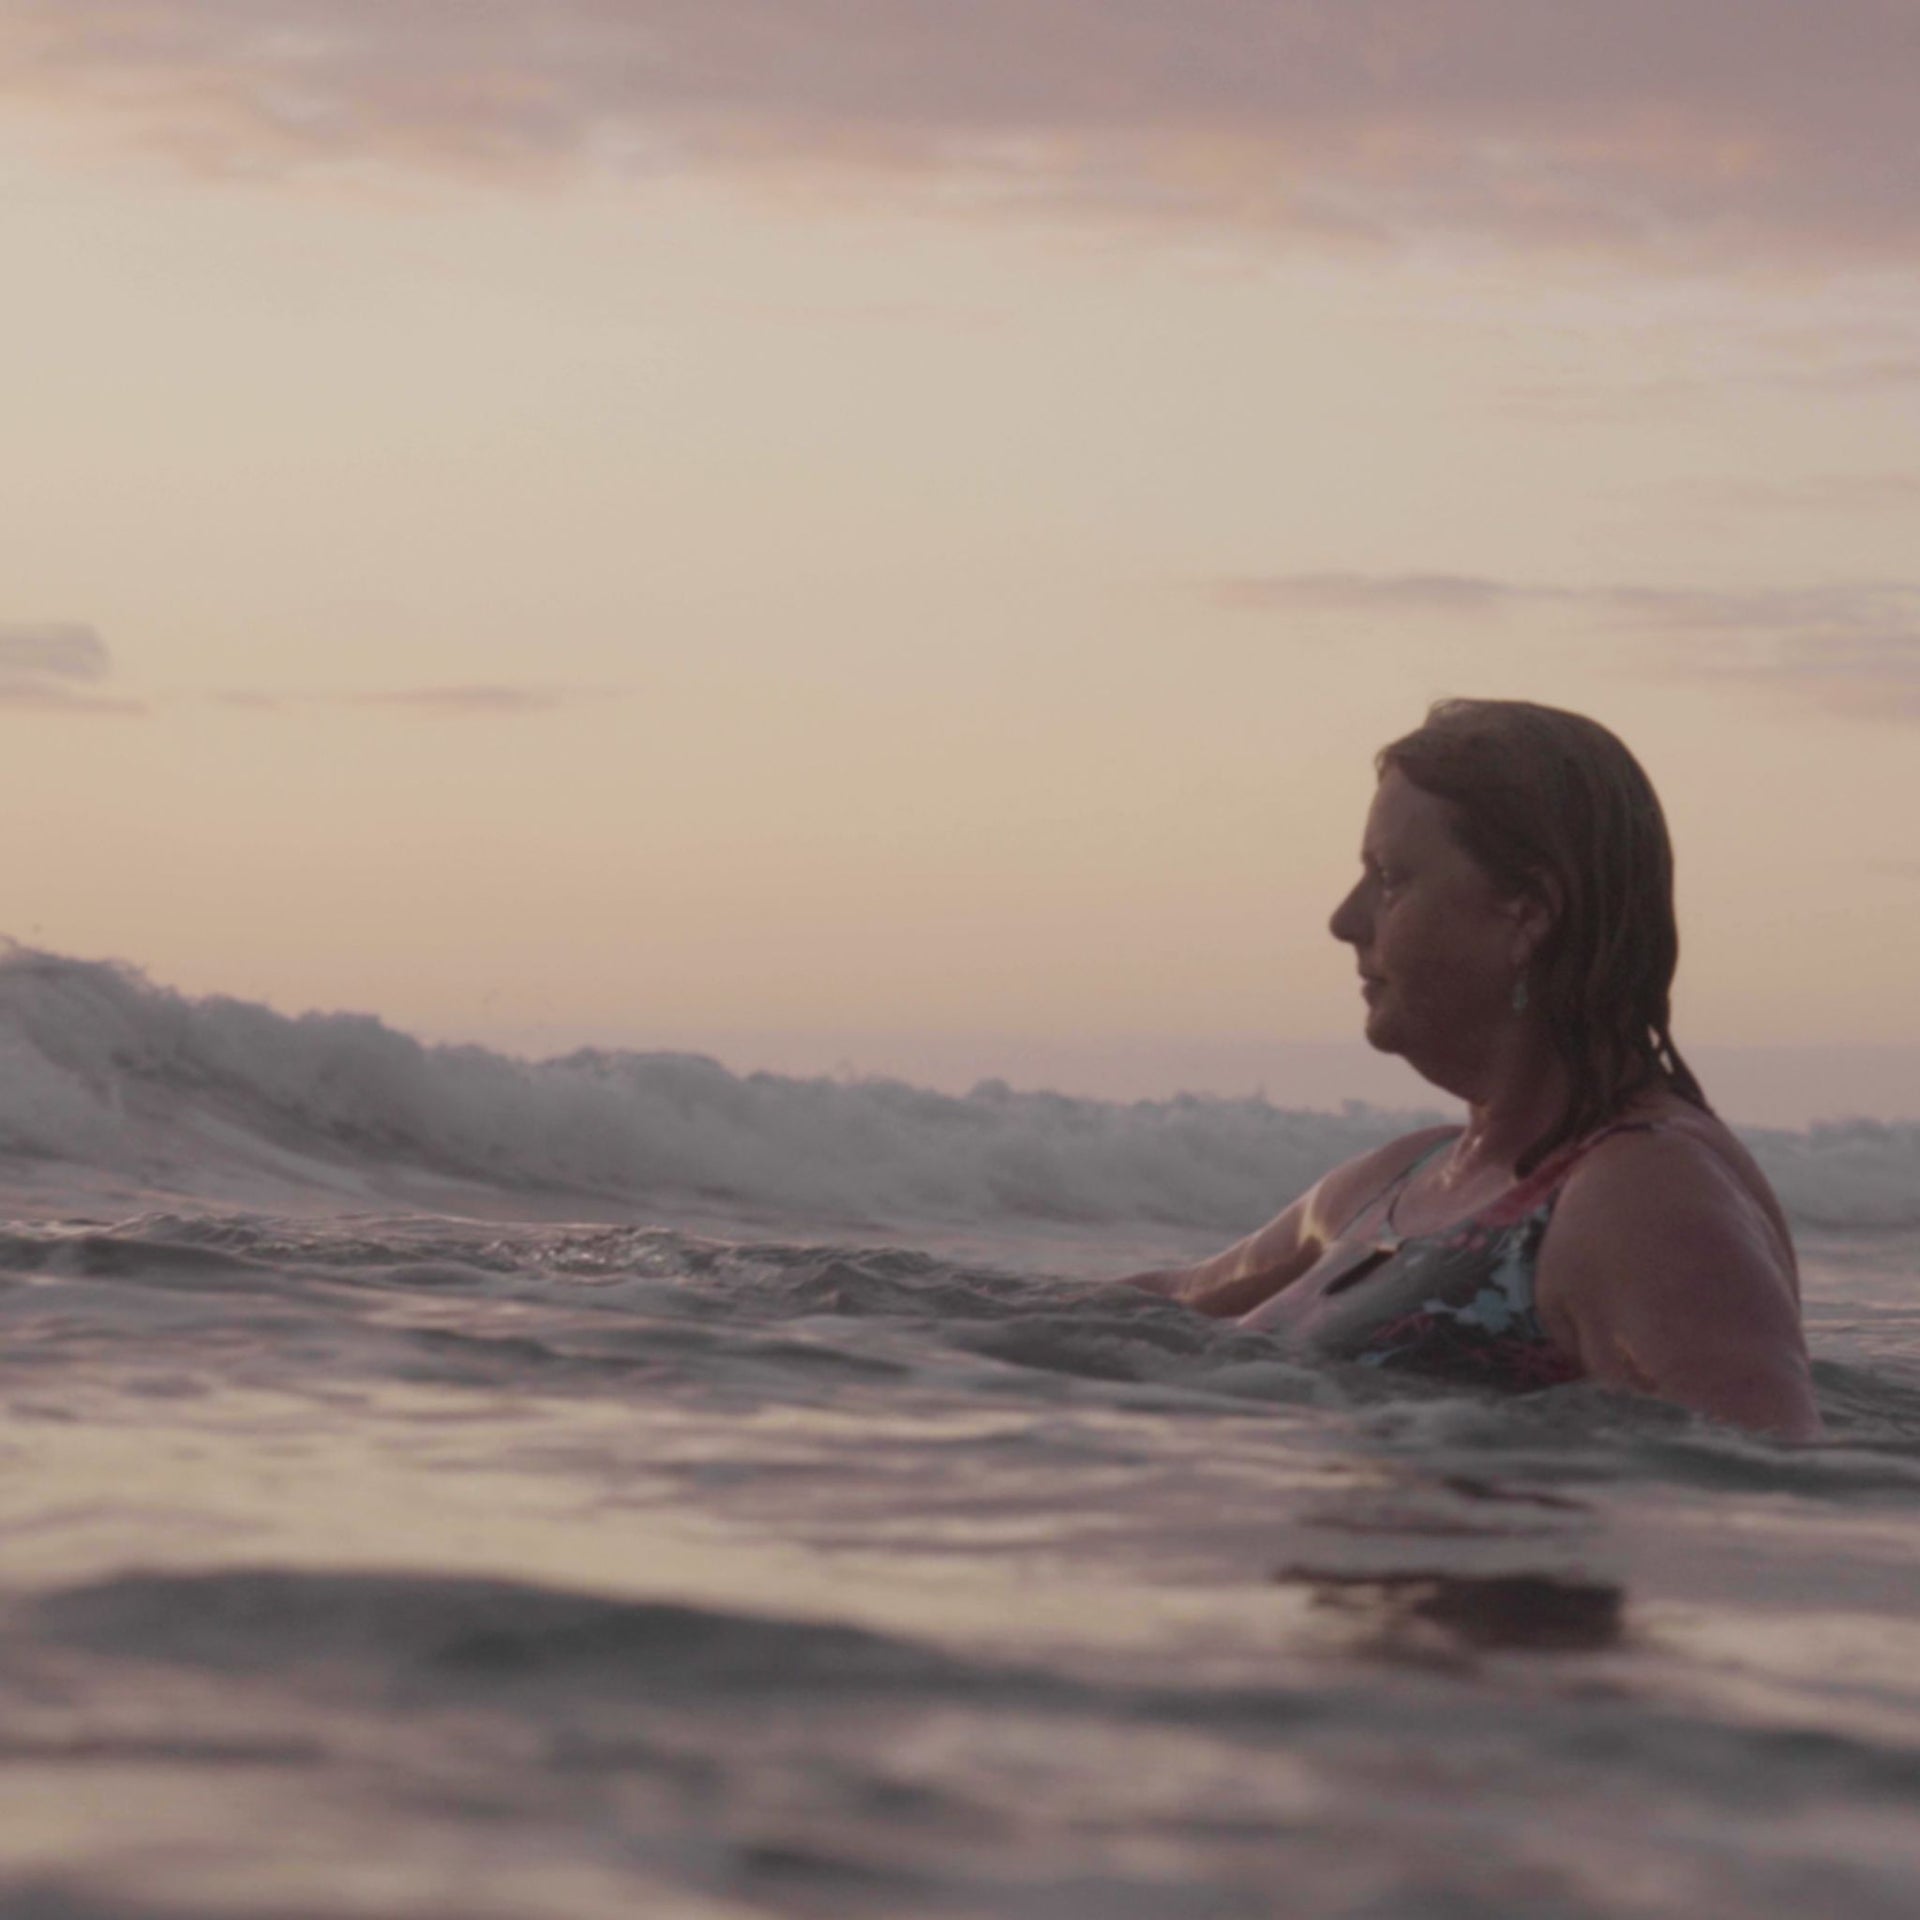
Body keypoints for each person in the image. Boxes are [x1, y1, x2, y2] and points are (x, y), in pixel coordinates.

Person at [1123, 699, 1822, 1441]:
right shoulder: (1390, 1185)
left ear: (1527, 913)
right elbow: (1158, 1307)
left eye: (1389, 878)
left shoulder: (1641, 1197)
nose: (1344, 920)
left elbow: (1761, 1491)